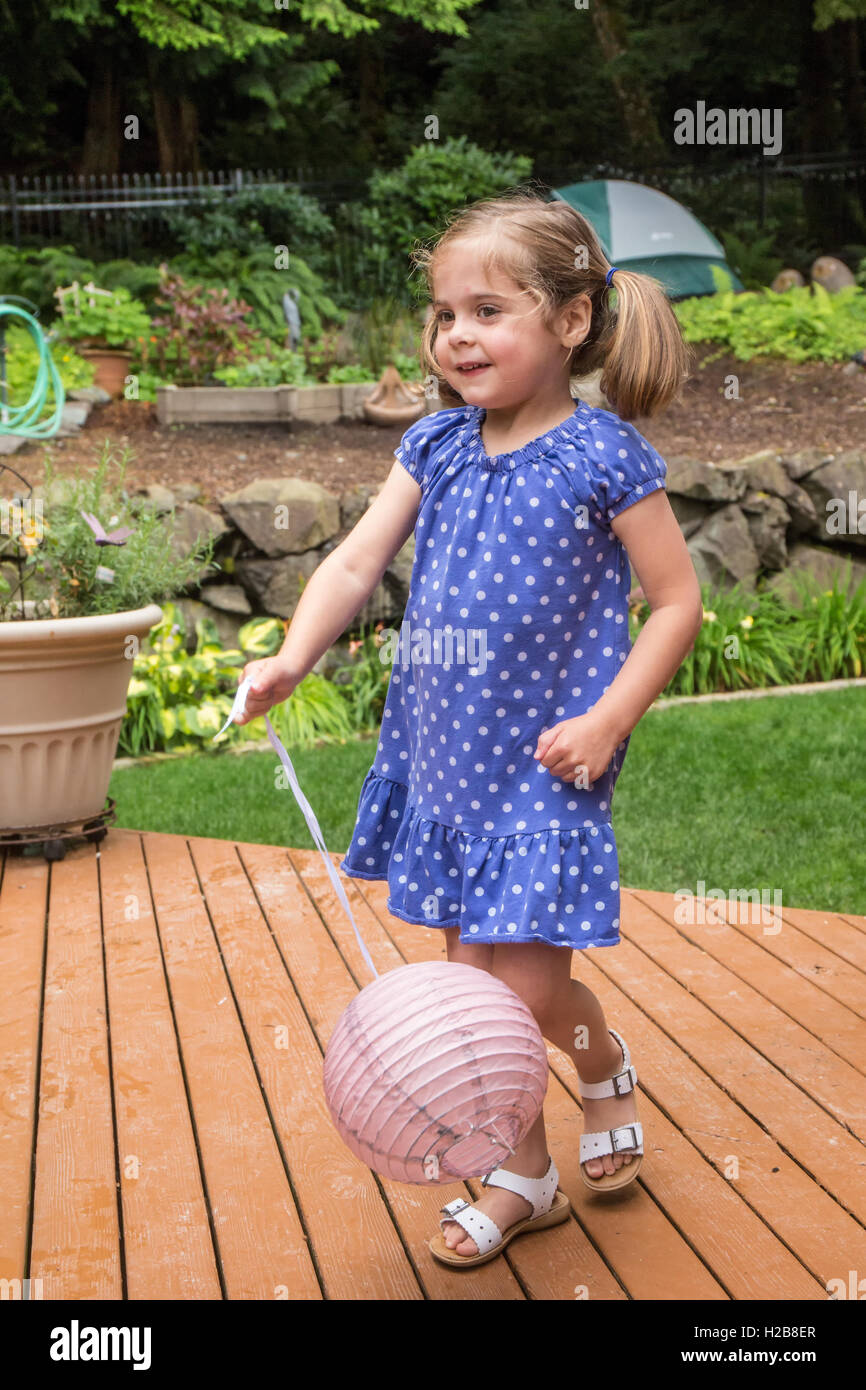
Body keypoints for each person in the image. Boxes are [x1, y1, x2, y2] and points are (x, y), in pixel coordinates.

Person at [235, 190, 703, 1268]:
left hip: (547, 761)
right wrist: (289, 658)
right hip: (444, 765)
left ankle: (601, 1061)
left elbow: (674, 601)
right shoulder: (435, 443)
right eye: (443, 313)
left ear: (570, 322)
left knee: (528, 990)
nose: (455, 335)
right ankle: (520, 1172)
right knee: (469, 1001)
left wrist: (606, 716)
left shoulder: (603, 456)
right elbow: (356, 560)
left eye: (487, 310)